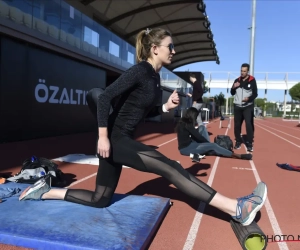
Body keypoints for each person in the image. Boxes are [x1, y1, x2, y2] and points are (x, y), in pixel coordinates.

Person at [19, 28, 267, 227]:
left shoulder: (155, 78)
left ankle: (45, 191)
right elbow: (104, 97)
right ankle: (237, 208)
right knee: (171, 168)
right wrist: (103, 138)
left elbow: (143, 112)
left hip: (119, 140)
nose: (174, 50)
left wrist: (166, 107)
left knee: (100, 199)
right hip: (115, 139)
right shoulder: (140, 71)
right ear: (155, 48)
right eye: (170, 46)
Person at [176, 107, 252, 161]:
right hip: (186, 149)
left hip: (190, 144)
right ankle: (237, 155)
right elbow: (198, 136)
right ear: (192, 115)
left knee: (202, 127)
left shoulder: (183, 122)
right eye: (195, 117)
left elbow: (194, 135)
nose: (196, 119)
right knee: (213, 146)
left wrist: (206, 144)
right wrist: (208, 144)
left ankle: (211, 149)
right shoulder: (187, 124)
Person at [231, 63, 257, 152]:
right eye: (241, 71)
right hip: (237, 106)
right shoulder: (237, 80)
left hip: (248, 106)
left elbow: (255, 94)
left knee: (249, 124)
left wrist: (248, 99)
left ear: (248, 71)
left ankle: (249, 143)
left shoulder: (252, 80)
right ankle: (238, 141)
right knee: (237, 125)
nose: (242, 73)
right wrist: (234, 87)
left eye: (244, 71)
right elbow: (232, 93)